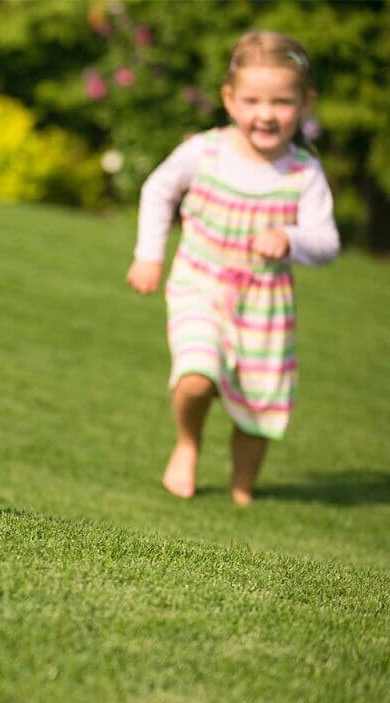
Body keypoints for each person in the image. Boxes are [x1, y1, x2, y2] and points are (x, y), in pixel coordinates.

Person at [126, 30, 340, 506]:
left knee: (258, 403)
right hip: (200, 284)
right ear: (229, 99)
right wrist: (148, 254)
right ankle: (187, 444)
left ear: (306, 103)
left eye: (282, 102)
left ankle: (243, 485)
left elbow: (327, 243)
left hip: (265, 304)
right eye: (252, 100)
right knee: (196, 376)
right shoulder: (204, 152)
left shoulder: (304, 173)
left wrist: (290, 239)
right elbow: (158, 191)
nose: (266, 113)